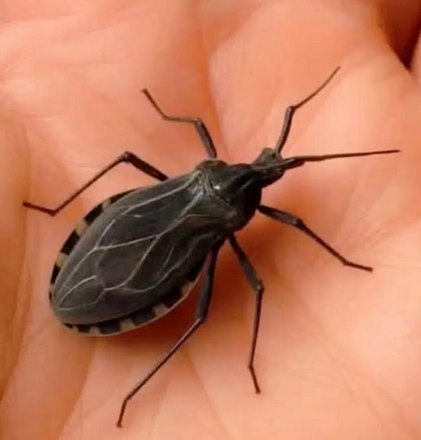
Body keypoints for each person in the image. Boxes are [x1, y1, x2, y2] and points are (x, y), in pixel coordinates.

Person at [1, 1, 420, 438]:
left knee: (132, 167)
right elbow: (267, 267)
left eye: (272, 163)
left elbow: (270, 134)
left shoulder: (229, 191)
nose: (272, 161)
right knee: (229, 301)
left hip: (145, 217)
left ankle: (135, 391)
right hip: (170, 229)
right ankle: (137, 391)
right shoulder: (240, 209)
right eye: (272, 161)